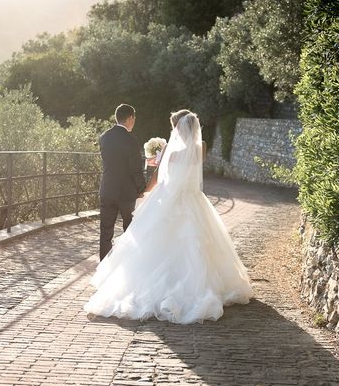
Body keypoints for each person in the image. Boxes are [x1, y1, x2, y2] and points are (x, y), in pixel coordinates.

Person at [85, 110, 252, 324]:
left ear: (177, 128)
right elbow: (188, 164)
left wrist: (145, 188)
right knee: (197, 244)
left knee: (152, 243)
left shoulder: (170, 152)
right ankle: (202, 285)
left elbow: (158, 177)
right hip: (194, 200)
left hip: (170, 198)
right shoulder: (201, 149)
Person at [98, 104, 146, 260]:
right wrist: (142, 188)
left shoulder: (104, 137)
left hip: (107, 190)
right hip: (127, 193)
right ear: (131, 118)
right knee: (130, 231)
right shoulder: (131, 140)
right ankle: (127, 265)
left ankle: (103, 267)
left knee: (105, 232)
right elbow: (135, 169)